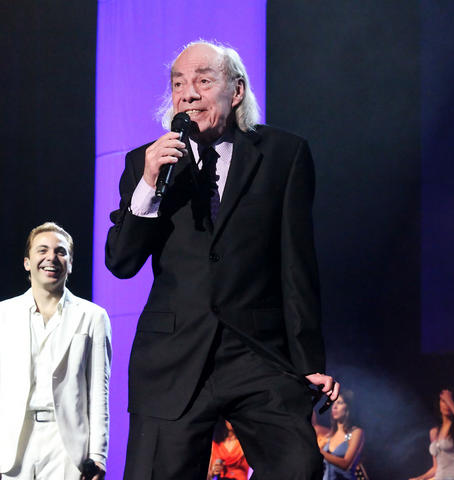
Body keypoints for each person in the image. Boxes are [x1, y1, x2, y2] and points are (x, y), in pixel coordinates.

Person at [105, 40, 339, 480]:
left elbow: (297, 266)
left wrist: (309, 361)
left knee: (299, 467)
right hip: (173, 356)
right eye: (178, 84)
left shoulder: (283, 155)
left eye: (203, 80)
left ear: (236, 90)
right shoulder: (146, 162)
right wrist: (149, 185)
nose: (188, 94)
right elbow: (121, 261)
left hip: (258, 352)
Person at [0, 222, 111, 480]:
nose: (51, 258)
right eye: (42, 250)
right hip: (13, 446)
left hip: (68, 449)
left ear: (70, 264)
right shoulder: (1, 314)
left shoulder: (93, 317)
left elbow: (98, 392)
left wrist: (98, 455)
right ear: (27, 262)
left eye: (61, 252)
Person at [409, 389, 454, 480]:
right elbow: (435, 468)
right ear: (439, 404)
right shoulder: (434, 432)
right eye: (443, 401)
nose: (446, 405)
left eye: (449, 401)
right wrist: (420, 478)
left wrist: (449, 401)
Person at [313, 390, 365, 480]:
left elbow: (346, 464)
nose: (334, 407)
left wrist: (319, 451)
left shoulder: (353, 433)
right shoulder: (331, 435)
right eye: (334, 403)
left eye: (340, 403)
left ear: (348, 407)